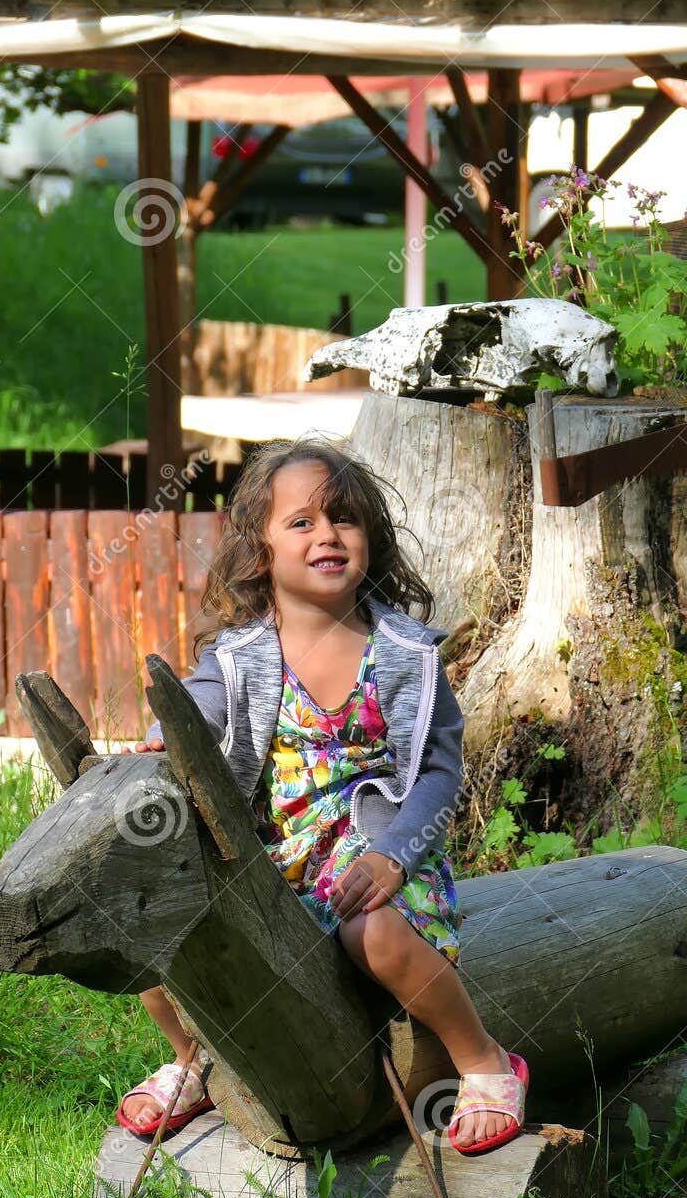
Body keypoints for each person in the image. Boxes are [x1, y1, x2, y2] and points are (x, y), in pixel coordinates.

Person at [115, 436, 527, 1155]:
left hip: (379, 860)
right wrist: (161, 738)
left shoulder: (402, 656)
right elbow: (198, 709)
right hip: (277, 862)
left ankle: (483, 1059)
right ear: (260, 548)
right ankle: (191, 1058)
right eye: (300, 522)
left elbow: (436, 775)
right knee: (155, 925)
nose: (326, 535)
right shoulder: (239, 658)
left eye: (343, 519)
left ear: (370, 536)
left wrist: (397, 858)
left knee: (373, 934)